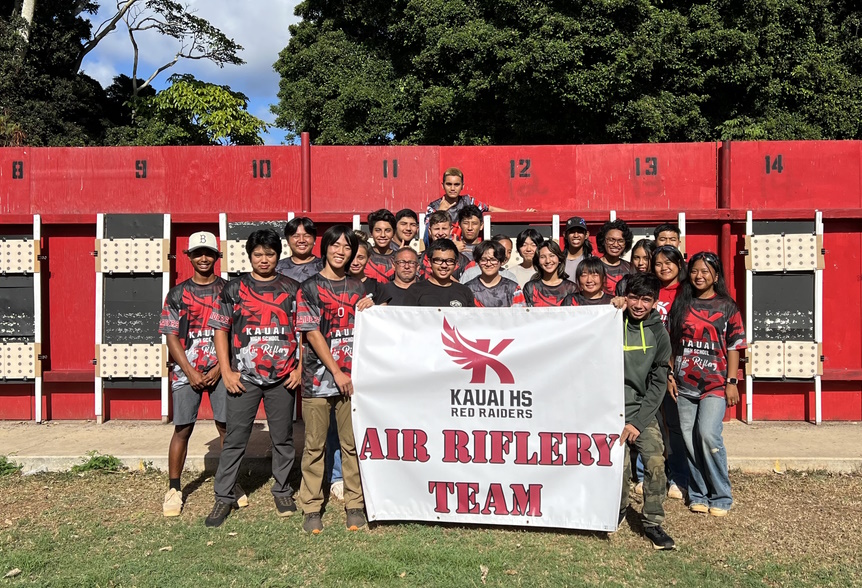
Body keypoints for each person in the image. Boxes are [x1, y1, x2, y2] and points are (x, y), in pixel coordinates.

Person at [204, 229, 302, 528]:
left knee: (283, 438)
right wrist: (227, 370)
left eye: (270, 254)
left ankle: (283, 490)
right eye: (258, 254)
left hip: (282, 377)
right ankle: (223, 496)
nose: (264, 259)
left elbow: (305, 332)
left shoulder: (293, 288)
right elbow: (219, 330)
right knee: (234, 439)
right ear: (249, 256)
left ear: (277, 256)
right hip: (243, 377)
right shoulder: (233, 290)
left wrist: (299, 368)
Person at [296, 226, 374, 534]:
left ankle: (355, 503)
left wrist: (372, 309)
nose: (341, 251)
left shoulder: (358, 287)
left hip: (352, 381)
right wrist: (337, 371)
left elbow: (371, 329)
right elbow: (312, 333)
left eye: (347, 247)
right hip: (318, 380)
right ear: (325, 248)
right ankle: (312, 506)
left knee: (351, 444)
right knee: (315, 446)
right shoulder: (309, 287)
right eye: (335, 245)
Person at [669, 252, 746, 517]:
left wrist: (732, 382)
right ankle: (698, 493)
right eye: (694, 271)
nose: (699, 276)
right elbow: (671, 341)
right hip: (683, 384)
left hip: (715, 384)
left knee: (708, 435)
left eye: (705, 271)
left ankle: (721, 494)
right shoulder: (682, 303)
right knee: (690, 441)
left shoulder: (727, 306)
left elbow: (736, 345)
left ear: (716, 275)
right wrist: (670, 374)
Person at [159, 231, 230, 517]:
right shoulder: (177, 293)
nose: (204, 258)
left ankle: (227, 485)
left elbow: (234, 334)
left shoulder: (229, 290)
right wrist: (188, 370)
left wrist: (218, 368)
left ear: (217, 256)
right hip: (185, 371)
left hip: (221, 370)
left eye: (209, 253)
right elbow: (170, 335)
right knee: (183, 428)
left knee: (226, 428)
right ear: (189, 257)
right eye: (198, 253)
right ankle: (174, 488)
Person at [618, 273, 676, 550]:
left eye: (646, 299)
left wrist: (638, 423)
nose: (639, 305)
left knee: (654, 461)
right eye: (633, 297)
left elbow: (658, 384)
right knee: (619, 467)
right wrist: (610, 306)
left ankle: (652, 521)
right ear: (625, 296)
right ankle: (614, 513)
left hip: (642, 411)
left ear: (655, 303)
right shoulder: (612, 321)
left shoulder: (659, 334)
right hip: (611, 410)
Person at [648, 244, 690, 501]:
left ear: (679, 265)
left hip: (676, 367)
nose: (664, 268)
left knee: (675, 425)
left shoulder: (687, 292)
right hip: (649, 366)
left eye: (669, 263)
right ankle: (648, 476)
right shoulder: (649, 290)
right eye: (659, 263)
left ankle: (679, 478)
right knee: (650, 422)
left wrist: (671, 370)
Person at [405, 239, 476, 307]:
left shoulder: (465, 292)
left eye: (449, 261)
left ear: (456, 264)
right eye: (438, 260)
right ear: (429, 262)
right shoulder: (415, 290)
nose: (444, 265)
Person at [464, 241, 526, 307]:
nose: (488, 264)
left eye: (493, 260)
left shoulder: (513, 288)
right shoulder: (467, 289)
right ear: (478, 262)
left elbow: (520, 315)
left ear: (501, 262)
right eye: (483, 260)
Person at [522, 240, 577, 307]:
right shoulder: (530, 287)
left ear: (559, 259)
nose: (548, 261)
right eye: (543, 257)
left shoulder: (571, 288)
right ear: (538, 261)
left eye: (552, 256)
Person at [419, 210, 471, 280]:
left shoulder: (463, 261)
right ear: (429, 231)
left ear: (451, 230)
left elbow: (467, 288)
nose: (440, 233)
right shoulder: (419, 260)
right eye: (437, 229)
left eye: (444, 229)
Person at [276, 217, 324, 283]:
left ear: (314, 239)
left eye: (307, 236)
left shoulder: (325, 267)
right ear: (288, 241)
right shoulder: (277, 268)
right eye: (296, 236)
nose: (301, 240)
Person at [350, 236, 392, 305]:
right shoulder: (337, 283)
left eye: (360, 258)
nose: (355, 263)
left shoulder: (377, 287)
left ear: (368, 259)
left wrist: (373, 308)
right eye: (351, 258)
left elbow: (383, 313)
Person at [596, 219, 634, 295]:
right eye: (611, 240)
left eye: (620, 241)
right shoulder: (593, 266)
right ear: (603, 241)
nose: (615, 244)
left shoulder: (631, 268)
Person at [365, 209, 397, 282]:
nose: (382, 235)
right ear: (371, 232)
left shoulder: (398, 258)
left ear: (394, 233)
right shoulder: (364, 256)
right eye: (378, 230)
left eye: (387, 230)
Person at [563, 216, 592, 280]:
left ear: (586, 235)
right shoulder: (558, 261)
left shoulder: (592, 261)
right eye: (572, 232)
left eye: (580, 232)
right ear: (565, 235)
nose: (576, 235)